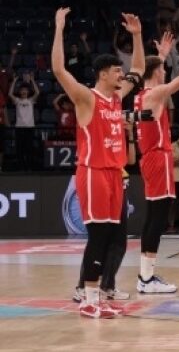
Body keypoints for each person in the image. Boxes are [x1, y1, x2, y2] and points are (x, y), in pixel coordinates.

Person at [51, 7, 144, 318]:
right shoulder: (86, 97)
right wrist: (59, 29)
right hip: (92, 173)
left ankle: (99, 296)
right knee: (100, 236)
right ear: (103, 73)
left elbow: (140, 71)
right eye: (117, 70)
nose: (122, 74)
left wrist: (138, 36)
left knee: (114, 238)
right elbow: (59, 70)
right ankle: (88, 298)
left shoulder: (116, 98)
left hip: (115, 175)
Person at [134, 21, 179, 294]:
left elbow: (152, 72)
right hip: (158, 158)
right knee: (158, 219)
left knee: (153, 217)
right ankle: (147, 278)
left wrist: (161, 55)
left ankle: (145, 276)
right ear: (155, 73)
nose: (165, 71)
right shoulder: (154, 94)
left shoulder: (142, 95)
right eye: (162, 68)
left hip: (151, 158)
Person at [73, 123, 137, 303]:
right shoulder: (97, 130)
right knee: (99, 239)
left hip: (118, 186)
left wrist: (130, 132)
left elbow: (131, 160)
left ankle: (107, 286)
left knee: (118, 243)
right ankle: (82, 287)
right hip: (100, 181)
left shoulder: (117, 134)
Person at [9, 74, 39, 170]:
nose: (23, 91)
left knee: (29, 148)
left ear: (27, 91)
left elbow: (37, 93)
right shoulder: (17, 101)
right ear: (20, 92)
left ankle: (29, 166)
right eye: (22, 90)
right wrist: (14, 81)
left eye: (25, 90)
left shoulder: (31, 100)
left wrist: (33, 80)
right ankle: (20, 166)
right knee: (20, 148)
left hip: (29, 127)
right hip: (19, 127)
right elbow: (10, 94)